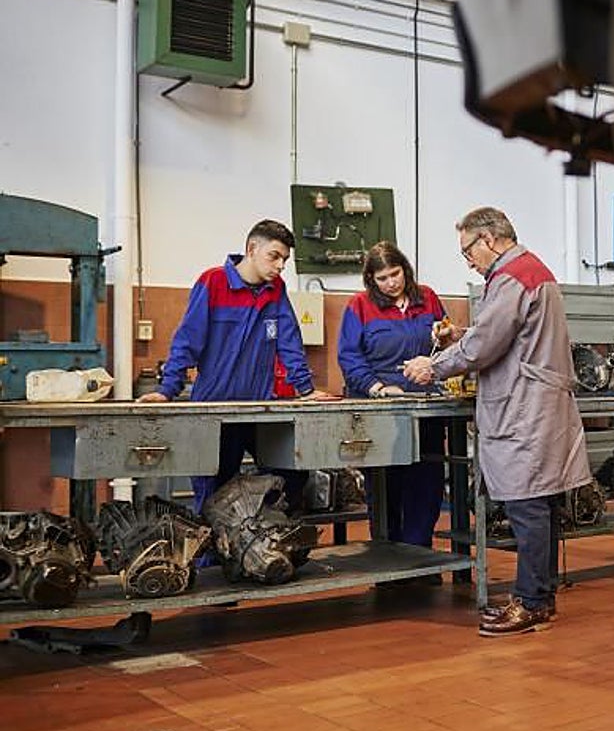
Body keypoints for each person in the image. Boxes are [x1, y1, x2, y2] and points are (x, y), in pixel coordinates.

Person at [404, 206, 591, 636]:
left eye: (468, 251)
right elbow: (503, 334)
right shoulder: (532, 271)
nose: (469, 261)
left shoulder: (511, 277)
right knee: (540, 504)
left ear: (487, 239)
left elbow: (485, 345)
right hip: (536, 404)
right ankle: (540, 598)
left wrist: (434, 366)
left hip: (525, 409)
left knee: (528, 506)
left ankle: (530, 602)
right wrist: (459, 337)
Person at [137, 219, 335, 517]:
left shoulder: (275, 289)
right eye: (274, 256)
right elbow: (187, 341)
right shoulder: (213, 283)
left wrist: (305, 390)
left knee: (292, 474)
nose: (280, 266)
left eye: (284, 259)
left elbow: (289, 340)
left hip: (259, 410)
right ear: (252, 249)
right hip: (214, 410)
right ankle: (213, 547)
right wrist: (167, 390)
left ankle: (263, 535)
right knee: (213, 492)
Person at [338, 241, 448, 571]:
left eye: (395, 274)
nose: (391, 283)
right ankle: (389, 562)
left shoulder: (428, 298)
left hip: (426, 407)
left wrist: (445, 337)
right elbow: (349, 356)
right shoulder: (359, 306)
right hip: (380, 411)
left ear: (406, 270)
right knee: (386, 485)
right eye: (382, 278)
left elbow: (446, 344)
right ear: (371, 280)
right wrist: (378, 388)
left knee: (426, 483)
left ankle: (420, 557)